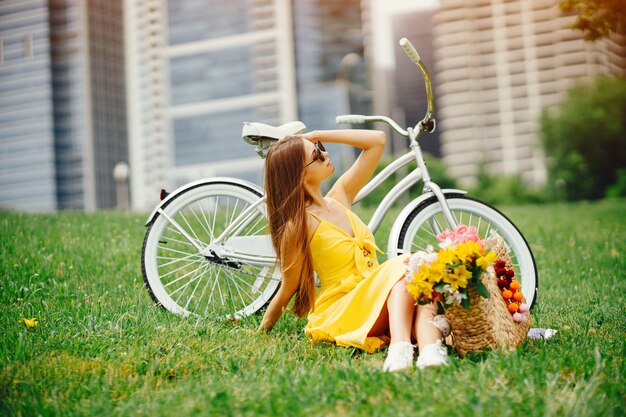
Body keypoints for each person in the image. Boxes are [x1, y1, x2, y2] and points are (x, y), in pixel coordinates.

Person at [258, 129, 449, 371]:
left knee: (413, 282)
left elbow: (377, 141)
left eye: (319, 148)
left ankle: (429, 352)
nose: (324, 154)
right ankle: (402, 346)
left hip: (381, 296)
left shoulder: (340, 195)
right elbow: (289, 285)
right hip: (344, 308)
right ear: (300, 176)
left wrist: (317, 134)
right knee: (412, 265)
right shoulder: (298, 225)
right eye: (316, 154)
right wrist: (264, 328)